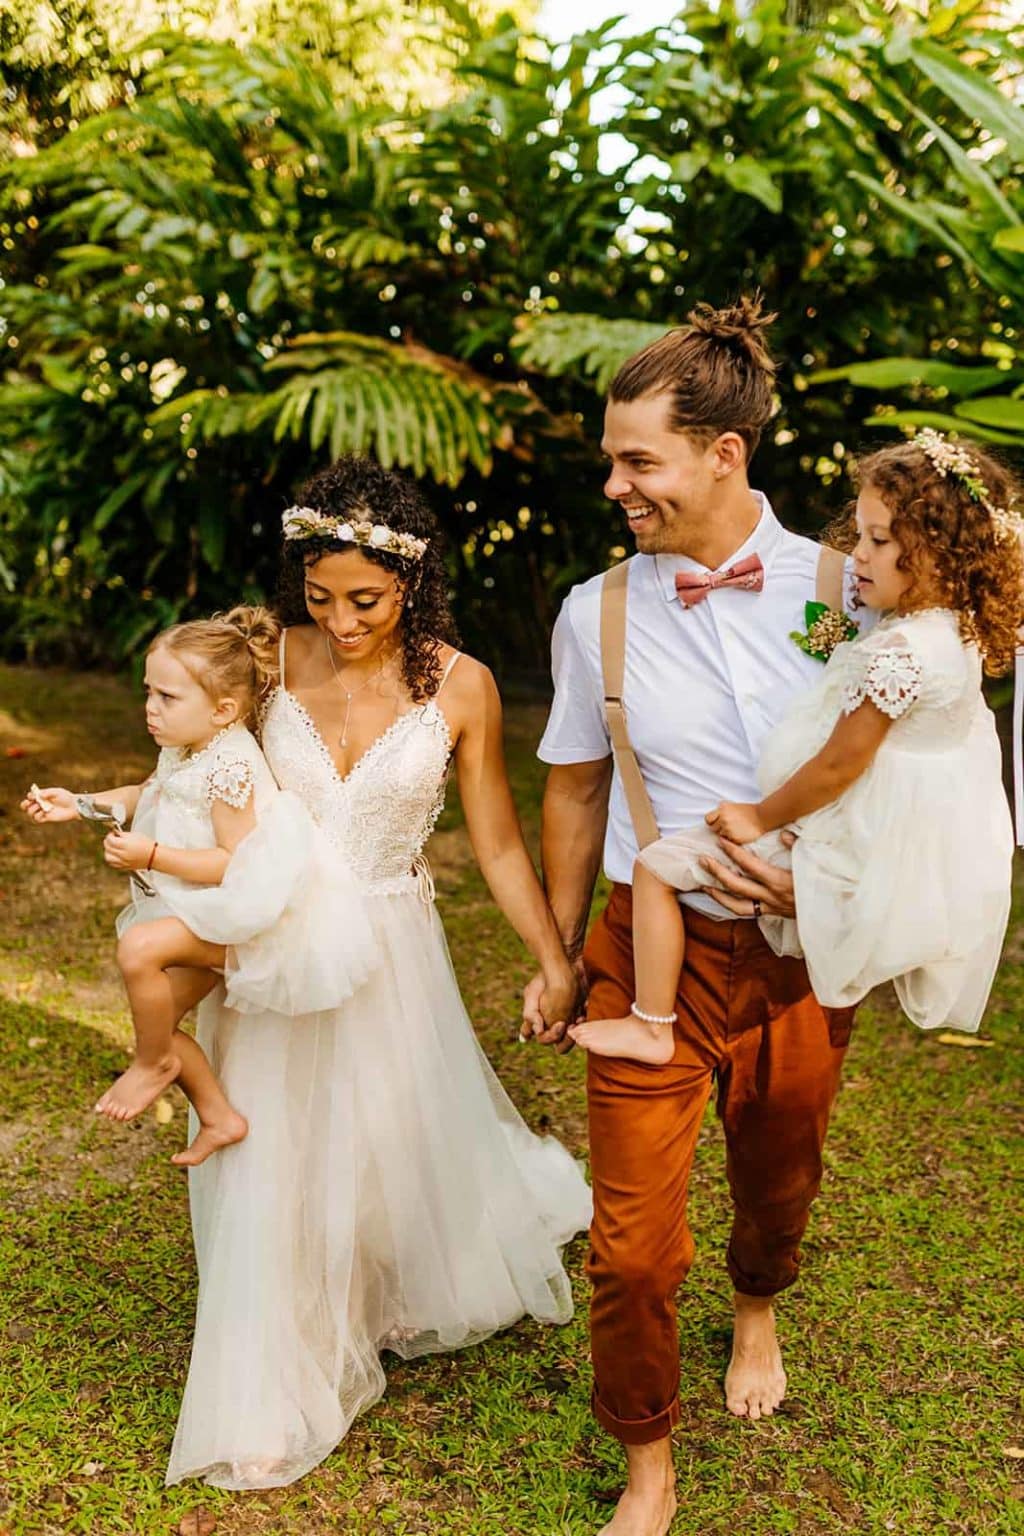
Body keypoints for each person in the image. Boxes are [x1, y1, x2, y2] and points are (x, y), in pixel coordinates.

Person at [166, 455, 591, 1490]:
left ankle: (366, 1289)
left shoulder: (462, 685)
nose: (342, 620)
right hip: (275, 942)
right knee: (272, 1150)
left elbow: (496, 842)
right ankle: (282, 1366)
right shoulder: (268, 662)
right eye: (320, 596)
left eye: (366, 598)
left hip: (392, 947)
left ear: (413, 576)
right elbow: (194, 771)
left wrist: (553, 960)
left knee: (374, 1139)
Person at [523, 295, 869, 1536]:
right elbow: (575, 787)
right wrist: (560, 952)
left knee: (778, 1178)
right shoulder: (596, 612)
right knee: (628, 1247)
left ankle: (758, 1298)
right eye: (610, 460)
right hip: (644, 947)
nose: (613, 484)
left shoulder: (843, 592)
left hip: (798, 956)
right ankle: (647, 1464)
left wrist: (836, 883)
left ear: (724, 453)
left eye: (636, 461)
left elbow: (896, 763)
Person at [572, 430, 1020, 1066]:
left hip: (822, 824)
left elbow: (838, 764)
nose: (856, 555)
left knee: (657, 867)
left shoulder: (900, 652)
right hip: (880, 830)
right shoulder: (953, 634)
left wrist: (757, 816)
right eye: (860, 534)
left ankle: (651, 1022)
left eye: (878, 540)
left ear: (937, 554)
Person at [21, 606, 372, 1166]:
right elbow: (148, 793)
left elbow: (234, 863)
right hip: (202, 908)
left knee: (139, 949)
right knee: (158, 1023)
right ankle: (218, 1115)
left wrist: (152, 854)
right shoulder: (187, 745)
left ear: (223, 709)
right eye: (148, 692)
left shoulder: (231, 767)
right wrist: (80, 804)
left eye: (167, 697)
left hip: (246, 918)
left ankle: (151, 1064)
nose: (150, 708)